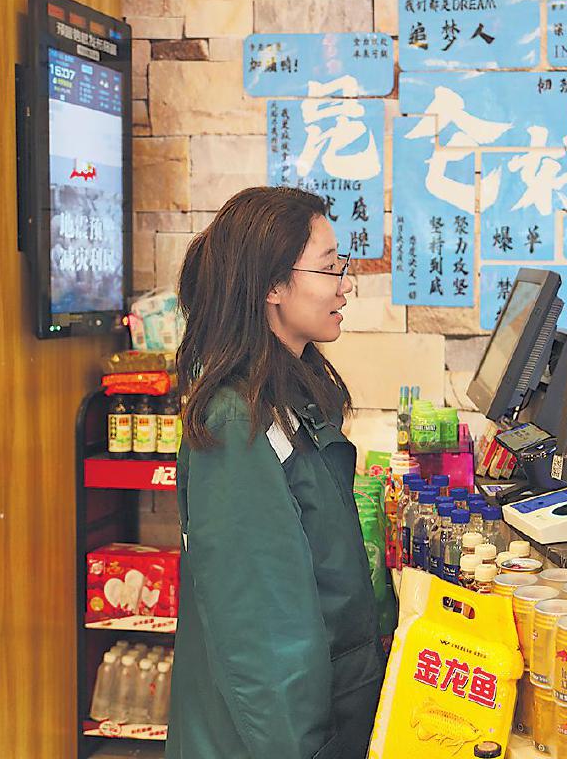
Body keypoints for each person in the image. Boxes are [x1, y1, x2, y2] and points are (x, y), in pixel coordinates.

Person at [167, 187, 384, 759]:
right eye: (329, 268)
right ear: (271, 286)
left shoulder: (289, 393)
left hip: (324, 709)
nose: (344, 285)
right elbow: (262, 637)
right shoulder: (236, 423)